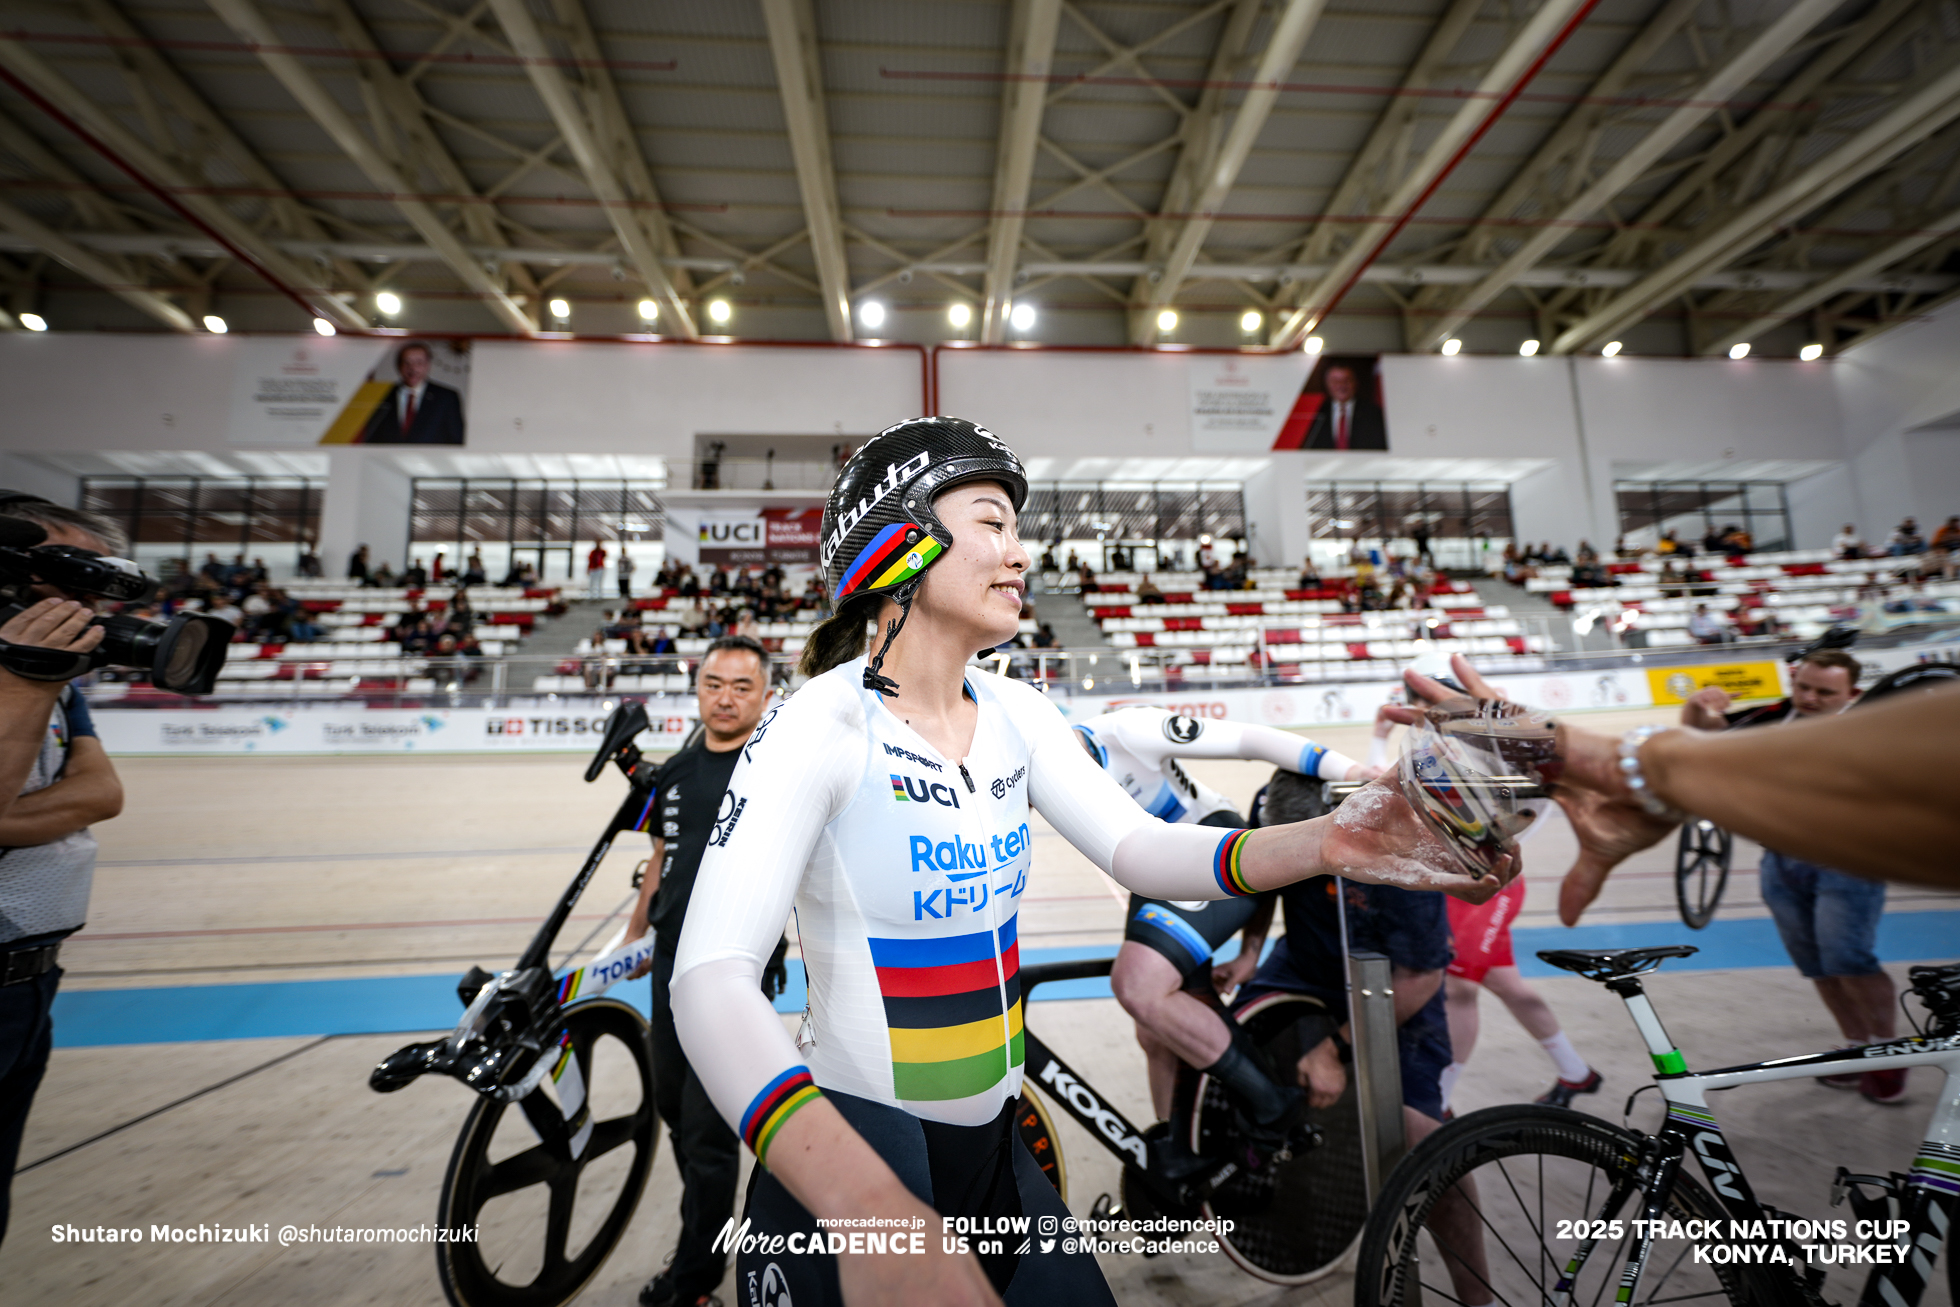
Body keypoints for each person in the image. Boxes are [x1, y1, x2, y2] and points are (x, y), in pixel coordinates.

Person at [668, 418, 1510, 1306]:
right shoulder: (819, 722)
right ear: (898, 539)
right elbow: (710, 978)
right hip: (860, 1154)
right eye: (993, 522)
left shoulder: (1017, 711)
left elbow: (1140, 847)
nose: (1020, 553)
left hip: (993, 1147)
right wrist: (871, 1206)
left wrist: (1328, 843)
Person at [1078, 705, 1378, 1175]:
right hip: (1154, 865)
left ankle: (1272, 1104)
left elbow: (1251, 740)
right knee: (1154, 1031)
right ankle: (1180, 1159)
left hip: (1208, 840)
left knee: (1139, 985)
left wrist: (1358, 773)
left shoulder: (1122, 731)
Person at [1239, 769, 1489, 1303]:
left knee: (1417, 1136)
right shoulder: (1270, 802)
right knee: (1228, 1053)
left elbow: (1419, 978)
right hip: (1303, 966)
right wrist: (1248, 949)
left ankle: (1478, 1293)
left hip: (1393, 984)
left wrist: (1336, 1049)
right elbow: (1255, 869)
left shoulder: (1400, 839)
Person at [624, 636, 777, 1307]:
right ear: (697, 689)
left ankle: (694, 1283)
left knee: (710, 1135)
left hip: (730, 976)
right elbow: (661, 855)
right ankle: (703, 1237)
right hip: (667, 964)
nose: (725, 696)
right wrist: (634, 935)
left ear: (766, 695)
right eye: (714, 682)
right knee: (675, 1111)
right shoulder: (678, 771)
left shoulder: (772, 770)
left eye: (742, 686)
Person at [1679, 649, 1901, 1102]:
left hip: (1847, 861)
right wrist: (1696, 707)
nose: (1810, 698)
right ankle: (1857, 1049)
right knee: (1818, 966)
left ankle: (1888, 1056)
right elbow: (1701, 737)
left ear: (1852, 694)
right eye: (1804, 687)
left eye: (1825, 692)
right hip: (1780, 862)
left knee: (1849, 958)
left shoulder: (1872, 731)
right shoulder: (1773, 716)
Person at [0, 499, 128, 1246]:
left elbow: (101, 792)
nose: (80, 608)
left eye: (91, 590)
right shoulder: (34, 675)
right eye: (59, 579)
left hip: (29, 982)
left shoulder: (58, 681)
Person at [1363, 704, 1597, 1111]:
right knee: (1506, 984)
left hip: (1490, 881)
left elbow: (1527, 805)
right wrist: (1380, 737)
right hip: (1460, 879)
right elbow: (1378, 795)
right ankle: (1577, 1073)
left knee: (1458, 986)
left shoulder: (1487, 745)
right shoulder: (1433, 744)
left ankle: (1442, 1100)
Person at [359, 341, 466, 444]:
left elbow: (456, 440)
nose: (413, 368)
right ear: (398, 366)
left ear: (427, 365)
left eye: (419, 363)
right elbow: (371, 437)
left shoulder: (446, 397)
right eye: (407, 362)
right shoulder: (382, 395)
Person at [1303, 363, 1388, 450]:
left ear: (1355, 383)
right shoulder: (1316, 412)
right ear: (1326, 384)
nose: (1341, 385)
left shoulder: (1373, 413)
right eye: (1335, 381)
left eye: (1347, 380)